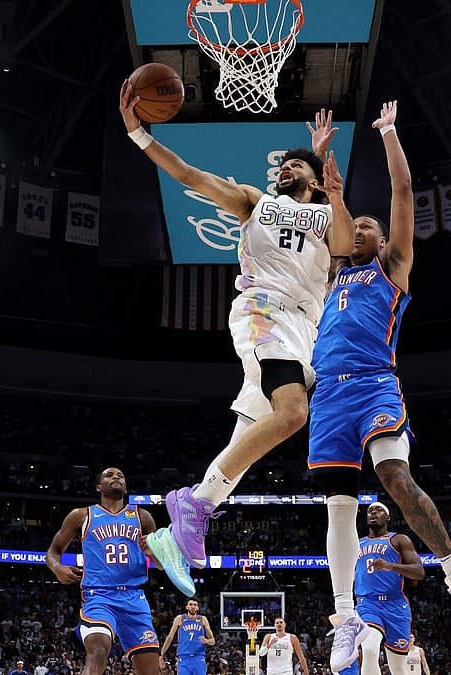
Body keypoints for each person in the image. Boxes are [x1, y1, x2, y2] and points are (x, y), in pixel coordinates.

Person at [119, 82, 355, 586]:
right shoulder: (254, 201)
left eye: (298, 167)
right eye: (284, 166)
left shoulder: (325, 211)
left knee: (246, 438)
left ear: (314, 182)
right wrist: (140, 135)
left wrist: (329, 183)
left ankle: (175, 530)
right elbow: (190, 175)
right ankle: (190, 504)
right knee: (293, 414)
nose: (285, 169)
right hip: (262, 311)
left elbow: (344, 245)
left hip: (304, 328)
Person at [304, 100, 451, 667]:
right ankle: (345, 618)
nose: (359, 228)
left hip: (373, 383)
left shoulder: (392, 268)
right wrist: (324, 176)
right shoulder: (334, 272)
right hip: (329, 396)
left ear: (383, 240)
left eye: (368, 225)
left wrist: (389, 135)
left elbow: (403, 197)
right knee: (339, 507)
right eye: (354, 225)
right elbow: (322, 219)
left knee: (395, 477)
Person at [44, 467, 165, 675]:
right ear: (99, 487)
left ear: (125, 487)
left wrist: (152, 552)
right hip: (99, 596)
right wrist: (57, 567)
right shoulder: (81, 515)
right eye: (109, 475)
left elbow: (162, 564)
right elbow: (53, 551)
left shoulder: (143, 517)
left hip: (134, 598)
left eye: (120, 475)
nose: (116, 477)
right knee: (99, 648)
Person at [336, 502, 425, 674]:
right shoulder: (356, 544)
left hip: (395, 605)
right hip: (367, 604)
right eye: (370, 511)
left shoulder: (398, 539)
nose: (373, 513)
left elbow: (419, 572)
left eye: (379, 510)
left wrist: (392, 566)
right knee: (369, 650)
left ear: (388, 517)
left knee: (398, 668)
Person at [159, 599, 215, 675]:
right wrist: (162, 654)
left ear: (198, 608)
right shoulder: (180, 618)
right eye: (191, 604)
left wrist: (207, 641)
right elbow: (170, 637)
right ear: (187, 607)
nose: (193, 607)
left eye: (195, 605)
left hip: (198, 657)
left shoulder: (202, 619)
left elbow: (213, 641)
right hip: (184, 657)